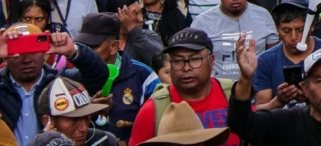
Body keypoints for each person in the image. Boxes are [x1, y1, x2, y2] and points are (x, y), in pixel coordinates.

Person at [0, 25, 109, 146]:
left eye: (33, 50)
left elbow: (99, 74)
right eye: (18, 51)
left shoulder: (60, 82)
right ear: (5, 58)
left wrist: (74, 51)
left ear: (45, 53)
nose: (26, 59)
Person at [227, 38, 321, 146]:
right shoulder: (287, 122)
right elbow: (240, 124)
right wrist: (246, 79)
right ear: (306, 88)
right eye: (320, 80)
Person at [131, 29, 240, 146]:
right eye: (178, 61)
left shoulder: (233, 94)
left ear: (212, 61)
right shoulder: (153, 109)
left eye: (195, 59)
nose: (186, 68)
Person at [71, 13, 156, 144]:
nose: (86, 52)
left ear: (114, 47)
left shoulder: (144, 75)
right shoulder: (72, 77)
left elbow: (158, 123)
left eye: (93, 47)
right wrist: (88, 112)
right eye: (83, 45)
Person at [192, 0, 279, 82]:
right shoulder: (202, 23)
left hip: (258, 88)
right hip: (220, 90)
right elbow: (195, 63)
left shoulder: (263, 16)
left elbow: (274, 58)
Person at [38, 77, 118, 146]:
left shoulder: (105, 141)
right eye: (73, 120)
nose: (84, 128)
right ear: (47, 121)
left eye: (86, 117)